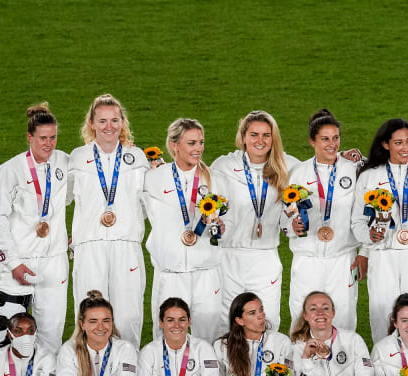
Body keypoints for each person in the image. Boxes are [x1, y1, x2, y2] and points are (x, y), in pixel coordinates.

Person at [0, 103, 70, 354]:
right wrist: (12, 263)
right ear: (29, 137)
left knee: (51, 335)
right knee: (7, 334)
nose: (49, 144)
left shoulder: (65, 163)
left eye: (53, 137)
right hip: (19, 263)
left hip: (54, 263)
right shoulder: (10, 169)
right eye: (43, 138)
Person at [67, 94, 148, 346]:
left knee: (128, 315)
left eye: (114, 120)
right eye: (102, 121)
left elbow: (148, 205)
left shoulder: (138, 157)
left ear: (123, 122)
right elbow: (60, 200)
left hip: (126, 245)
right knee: (90, 314)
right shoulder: (77, 157)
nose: (109, 126)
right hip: (89, 245)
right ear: (91, 123)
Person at [353, 118, 408, 343]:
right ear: (385, 144)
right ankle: (384, 369)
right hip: (383, 255)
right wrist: (369, 239)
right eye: (399, 142)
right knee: (382, 314)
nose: (406, 147)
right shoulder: (369, 177)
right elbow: (357, 222)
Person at [212, 110, 300, 331]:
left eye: (266, 135)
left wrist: (347, 158)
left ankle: (268, 366)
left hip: (265, 257)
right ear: (243, 137)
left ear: (273, 138)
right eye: (254, 135)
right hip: (229, 256)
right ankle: (229, 367)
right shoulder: (223, 166)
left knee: (267, 321)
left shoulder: (287, 165)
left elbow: (317, 169)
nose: (260, 141)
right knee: (227, 322)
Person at [142, 118, 222, 341]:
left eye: (201, 142)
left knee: (209, 337)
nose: (198, 149)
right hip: (170, 274)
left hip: (206, 272)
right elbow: (136, 213)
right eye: (191, 143)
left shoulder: (214, 179)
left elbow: (229, 222)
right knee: (165, 338)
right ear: (174, 145)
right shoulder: (153, 179)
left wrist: (222, 226)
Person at [287, 109, 365, 332]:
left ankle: (345, 365)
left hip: (342, 258)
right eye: (325, 139)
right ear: (312, 141)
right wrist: (291, 227)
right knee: (300, 317)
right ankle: (301, 365)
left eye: (336, 138)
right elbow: (284, 213)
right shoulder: (298, 172)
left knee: (345, 315)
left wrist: (364, 252)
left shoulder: (354, 169)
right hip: (306, 258)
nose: (332, 144)